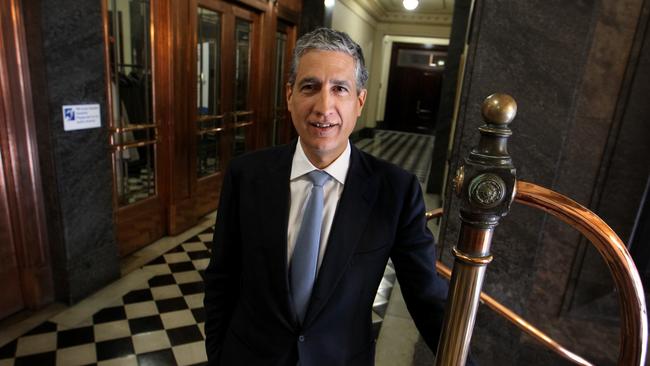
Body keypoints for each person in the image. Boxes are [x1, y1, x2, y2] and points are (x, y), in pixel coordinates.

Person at [204, 27, 449, 366]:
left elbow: (426, 299)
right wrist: (217, 356)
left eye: (340, 89)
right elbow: (222, 277)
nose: (324, 106)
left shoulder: (395, 190)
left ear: (359, 101)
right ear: (290, 95)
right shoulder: (247, 175)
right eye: (310, 87)